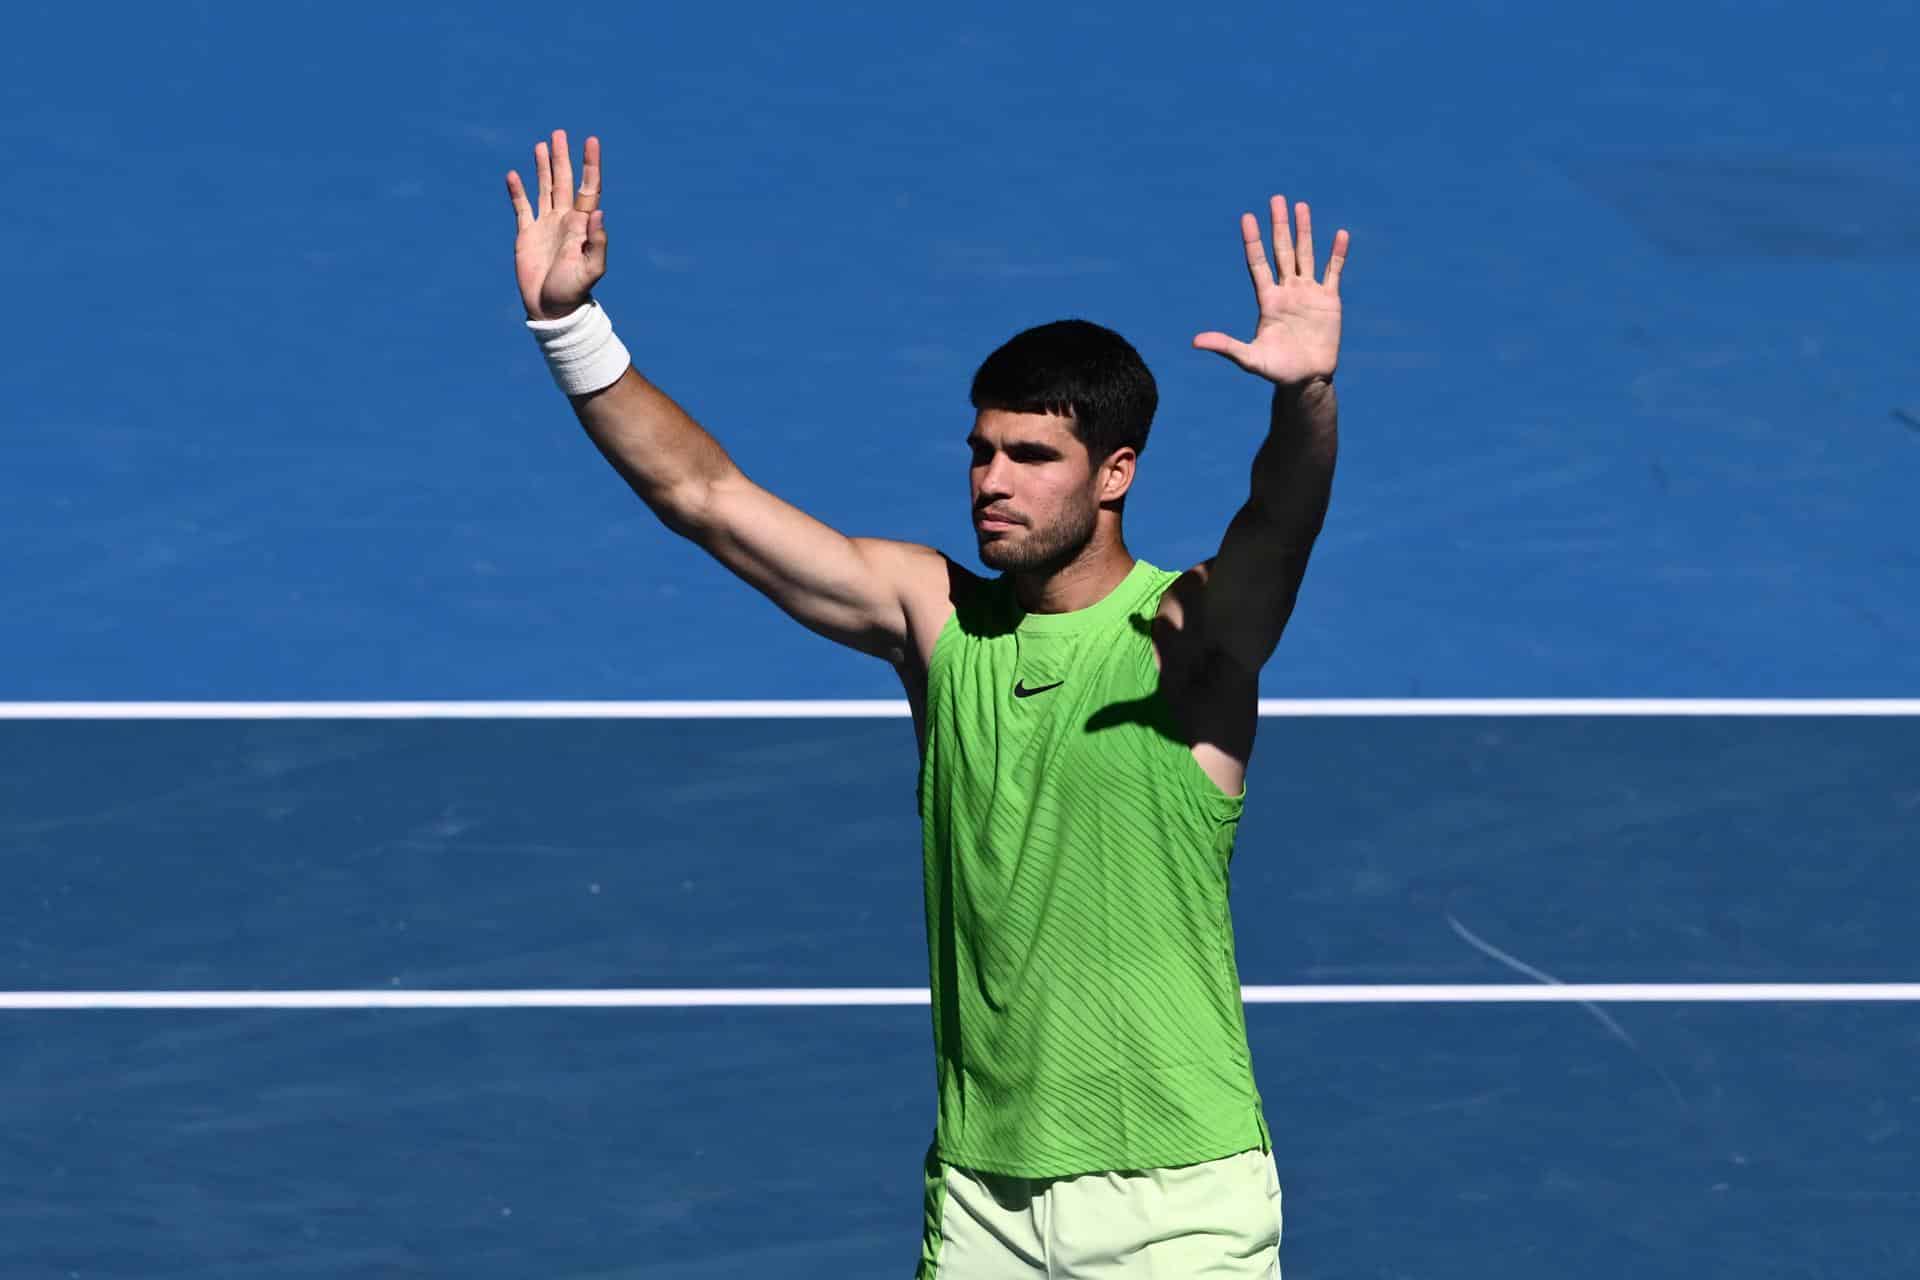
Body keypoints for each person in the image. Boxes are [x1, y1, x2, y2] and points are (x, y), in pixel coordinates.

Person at [506, 129, 1348, 1279]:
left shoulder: (1186, 641)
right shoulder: (936, 618)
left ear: (1116, 472)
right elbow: (704, 496)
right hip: (984, 1196)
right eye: (982, 450)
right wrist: (571, 328)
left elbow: (1278, 529)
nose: (991, 480)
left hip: (1179, 1200)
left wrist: (1305, 397)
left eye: (1032, 455)